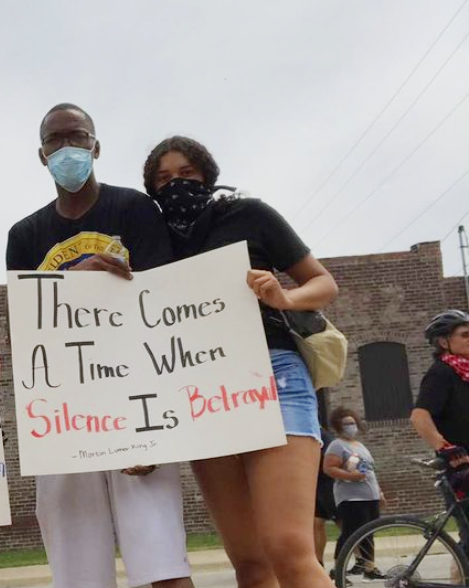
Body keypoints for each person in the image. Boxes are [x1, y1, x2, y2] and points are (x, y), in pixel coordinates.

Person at [6, 104, 193, 588]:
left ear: (96, 145)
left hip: (137, 404)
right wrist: (74, 279)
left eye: (77, 137)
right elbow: (29, 330)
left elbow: (163, 307)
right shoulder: (24, 236)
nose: (67, 149)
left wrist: (155, 431)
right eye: (55, 141)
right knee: (78, 574)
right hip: (66, 417)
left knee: (164, 566)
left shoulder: (133, 209)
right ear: (41, 154)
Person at [142, 135, 339, 588]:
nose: (175, 185)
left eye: (185, 174)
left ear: (207, 173)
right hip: (202, 389)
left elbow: (323, 282)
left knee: (288, 548)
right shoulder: (153, 240)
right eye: (163, 179)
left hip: (273, 375)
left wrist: (284, 295)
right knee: (250, 562)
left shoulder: (249, 214)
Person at [411, 309, 469, 553]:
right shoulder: (442, 373)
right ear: (444, 342)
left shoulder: (465, 373)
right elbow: (419, 416)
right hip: (461, 467)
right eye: (465, 335)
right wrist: (445, 447)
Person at [323, 407, 385, 581]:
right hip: (351, 497)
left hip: (369, 495)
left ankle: (369, 567)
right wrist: (351, 476)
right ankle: (338, 568)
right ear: (338, 426)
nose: (351, 426)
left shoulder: (360, 445)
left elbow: (370, 470)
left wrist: (379, 492)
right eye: (347, 424)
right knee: (350, 532)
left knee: (369, 531)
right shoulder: (336, 445)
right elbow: (329, 468)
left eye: (353, 423)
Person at [313, 427, 337, 568]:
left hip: (328, 485)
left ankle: (362, 559)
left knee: (341, 523)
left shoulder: (323, 436)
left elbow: (326, 460)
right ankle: (318, 562)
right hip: (315, 484)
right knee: (317, 523)